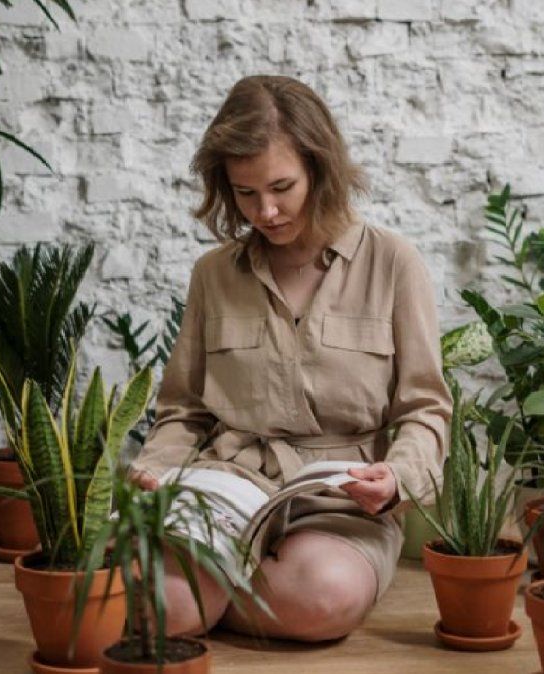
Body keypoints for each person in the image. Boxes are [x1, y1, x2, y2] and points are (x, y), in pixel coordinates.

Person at [128, 74, 451, 642]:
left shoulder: (393, 263)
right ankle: (208, 593)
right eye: (245, 193)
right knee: (164, 607)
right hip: (227, 484)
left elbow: (425, 408)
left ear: (320, 171)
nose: (267, 211)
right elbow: (184, 410)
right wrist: (154, 470)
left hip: (341, 501)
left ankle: (215, 595)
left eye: (282, 187)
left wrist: (396, 479)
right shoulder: (213, 274)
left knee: (319, 598)